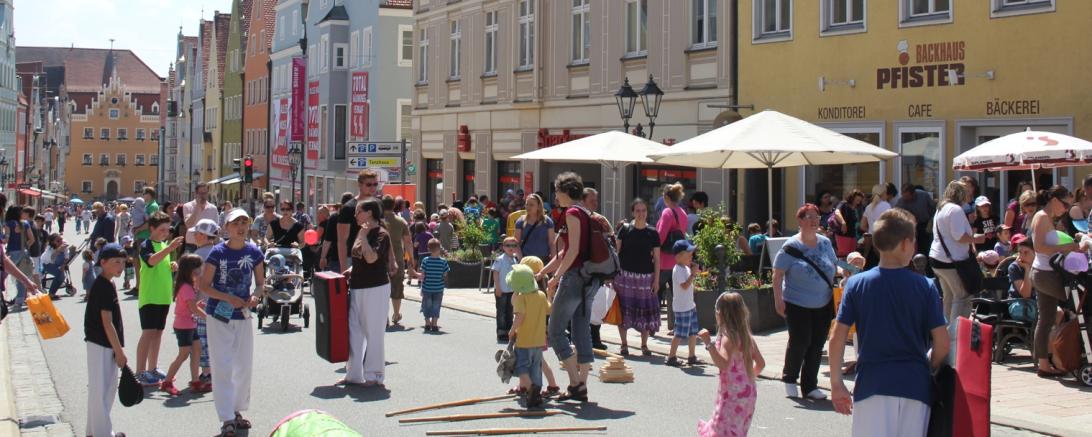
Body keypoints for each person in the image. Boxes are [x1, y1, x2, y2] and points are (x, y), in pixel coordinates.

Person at [829, 208, 950, 437]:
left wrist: (837, 383)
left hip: (871, 385)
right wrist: (928, 367)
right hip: (915, 386)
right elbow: (942, 343)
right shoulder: (925, 286)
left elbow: (837, 336)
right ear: (906, 244)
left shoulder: (856, 285)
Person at [198, 209, 265, 436]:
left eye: (244, 222)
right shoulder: (217, 253)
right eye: (236, 223)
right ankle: (226, 417)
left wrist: (255, 296)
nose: (241, 227)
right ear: (226, 227)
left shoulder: (254, 252)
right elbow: (204, 286)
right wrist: (228, 298)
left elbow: (260, 283)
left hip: (243, 315)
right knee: (223, 366)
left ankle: (237, 410)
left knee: (243, 366)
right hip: (219, 315)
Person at [537, 172, 596, 402]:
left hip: (575, 278)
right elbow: (564, 252)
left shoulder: (571, 213)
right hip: (591, 278)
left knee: (555, 329)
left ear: (566, 191)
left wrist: (556, 278)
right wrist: (545, 271)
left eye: (557, 191)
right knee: (581, 330)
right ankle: (582, 384)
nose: (555, 195)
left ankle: (574, 382)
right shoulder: (586, 212)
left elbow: (572, 252)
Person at [773, 203, 837, 400]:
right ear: (799, 221)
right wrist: (778, 301)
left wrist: (848, 269)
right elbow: (777, 276)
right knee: (800, 342)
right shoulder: (791, 247)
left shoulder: (825, 243)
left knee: (817, 344)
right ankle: (790, 378)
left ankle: (810, 385)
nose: (813, 221)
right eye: (808, 217)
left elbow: (834, 265)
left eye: (816, 217)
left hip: (823, 301)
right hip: (796, 302)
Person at [1029, 186, 1087, 377]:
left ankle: (1045, 364)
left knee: (1045, 319)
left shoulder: (1045, 217)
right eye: (1065, 205)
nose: (1066, 209)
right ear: (1054, 200)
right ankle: (1067, 353)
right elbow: (1039, 247)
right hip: (1045, 274)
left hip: (1043, 273)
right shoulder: (1042, 217)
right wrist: (1069, 246)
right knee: (1078, 306)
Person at [929, 180, 985, 364]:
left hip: (938, 258)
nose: (969, 197)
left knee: (949, 297)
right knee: (962, 296)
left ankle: (942, 334)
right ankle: (954, 338)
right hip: (951, 261)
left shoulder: (941, 208)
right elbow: (959, 236)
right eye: (966, 194)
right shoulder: (955, 210)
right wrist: (977, 239)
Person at [697, 292, 766, 437]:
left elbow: (723, 364)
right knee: (737, 432)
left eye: (717, 310)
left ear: (722, 313)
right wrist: (747, 379)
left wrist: (708, 343)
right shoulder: (746, 336)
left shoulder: (728, 337)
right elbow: (761, 363)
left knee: (721, 431)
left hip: (732, 394)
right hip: (748, 392)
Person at [338, 198, 390, 387]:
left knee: (373, 331)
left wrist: (363, 236)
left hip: (375, 287)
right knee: (354, 330)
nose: (355, 215)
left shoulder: (381, 234)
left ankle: (374, 375)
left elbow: (371, 258)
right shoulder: (362, 233)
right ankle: (353, 373)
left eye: (359, 211)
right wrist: (351, 270)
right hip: (358, 286)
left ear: (369, 213)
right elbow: (359, 259)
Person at [84, 243, 129, 437]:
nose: (120, 266)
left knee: (105, 389)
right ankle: (102, 433)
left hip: (104, 343)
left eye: (123, 262)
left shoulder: (107, 283)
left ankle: (93, 431)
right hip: (100, 343)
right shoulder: (103, 285)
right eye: (116, 262)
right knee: (102, 390)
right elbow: (107, 322)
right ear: (103, 262)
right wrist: (118, 351)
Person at [134, 212, 185, 386]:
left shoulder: (163, 245)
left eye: (167, 230)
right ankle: (140, 371)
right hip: (150, 297)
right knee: (148, 334)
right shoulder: (147, 244)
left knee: (158, 334)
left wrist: (172, 265)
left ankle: (152, 368)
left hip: (163, 297)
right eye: (162, 230)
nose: (165, 233)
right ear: (152, 229)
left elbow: (161, 263)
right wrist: (169, 249)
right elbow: (151, 262)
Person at [614, 198, 661, 356]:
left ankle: (644, 345)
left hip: (646, 277)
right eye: (638, 211)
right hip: (625, 276)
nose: (641, 214)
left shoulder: (653, 233)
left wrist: (656, 280)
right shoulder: (625, 230)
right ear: (632, 212)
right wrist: (612, 275)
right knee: (624, 310)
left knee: (645, 311)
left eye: (644, 210)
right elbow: (616, 252)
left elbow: (657, 259)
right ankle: (624, 344)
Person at [161, 254, 210, 396]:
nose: (201, 272)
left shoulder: (188, 286)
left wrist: (197, 305)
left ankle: (195, 381)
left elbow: (190, 305)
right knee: (183, 354)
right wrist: (207, 318)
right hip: (184, 325)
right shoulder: (187, 287)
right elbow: (193, 308)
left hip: (190, 323)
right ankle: (167, 382)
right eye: (199, 270)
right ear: (192, 270)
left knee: (197, 349)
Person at [507, 263, 551, 408]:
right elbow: (548, 310)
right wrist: (550, 294)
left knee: (521, 368)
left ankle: (532, 388)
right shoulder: (541, 295)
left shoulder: (521, 299)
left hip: (524, 340)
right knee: (535, 368)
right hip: (538, 340)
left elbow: (519, 316)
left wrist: (512, 330)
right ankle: (536, 394)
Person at [657, 183, 689, 332]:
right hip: (677, 259)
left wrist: (652, 251)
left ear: (667, 197)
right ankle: (678, 325)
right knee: (677, 294)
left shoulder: (667, 212)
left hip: (664, 260)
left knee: (656, 292)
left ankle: (653, 324)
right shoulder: (682, 212)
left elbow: (660, 236)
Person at [338, 171, 379, 276]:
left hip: (375, 254)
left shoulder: (378, 204)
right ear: (360, 185)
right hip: (354, 258)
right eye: (369, 184)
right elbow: (342, 241)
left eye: (375, 184)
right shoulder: (348, 208)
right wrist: (343, 268)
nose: (373, 187)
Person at [667, 240, 700, 367]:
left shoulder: (685, 268)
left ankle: (692, 356)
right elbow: (685, 286)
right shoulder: (678, 270)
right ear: (679, 256)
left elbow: (688, 286)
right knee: (679, 333)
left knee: (693, 332)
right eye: (689, 254)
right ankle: (671, 357)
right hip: (682, 308)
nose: (692, 256)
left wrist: (692, 274)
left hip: (689, 305)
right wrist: (692, 275)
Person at [382, 195, 413, 326]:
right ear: (394, 205)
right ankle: (396, 314)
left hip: (381, 259)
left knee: (382, 289)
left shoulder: (378, 221)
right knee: (397, 287)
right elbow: (408, 241)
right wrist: (411, 258)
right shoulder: (401, 222)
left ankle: (384, 317)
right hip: (398, 259)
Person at [418, 239, 450, 332]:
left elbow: (423, 274)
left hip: (427, 287)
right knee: (436, 305)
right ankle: (435, 324)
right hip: (438, 288)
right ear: (439, 249)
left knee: (427, 305)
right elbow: (445, 274)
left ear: (428, 249)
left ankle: (427, 323)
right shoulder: (443, 261)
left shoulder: (425, 260)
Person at [894, 183, 937, 254]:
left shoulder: (924, 196)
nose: (905, 199)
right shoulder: (901, 201)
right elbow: (895, 214)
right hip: (910, 228)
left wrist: (931, 222)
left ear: (913, 194)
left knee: (925, 248)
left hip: (924, 225)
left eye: (907, 197)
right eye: (903, 196)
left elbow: (933, 209)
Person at [492, 236, 520, 342]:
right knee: (501, 312)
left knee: (510, 311)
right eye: (508, 245)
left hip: (511, 291)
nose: (511, 248)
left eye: (514, 245)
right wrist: (498, 287)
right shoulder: (500, 259)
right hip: (502, 289)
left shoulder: (515, 259)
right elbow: (495, 273)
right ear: (503, 247)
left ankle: (510, 331)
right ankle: (501, 332)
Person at [514, 193, 556, 262]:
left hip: (544, 260)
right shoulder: (520, 221)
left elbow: (552, 243)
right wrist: (521, 260)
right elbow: (516, 243)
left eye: (531, 205)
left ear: (539, 206)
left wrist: (553, 262)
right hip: (526, 260)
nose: (528, 207)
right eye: (527, 204)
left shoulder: (547, 221)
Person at [183, 182, 221, 253]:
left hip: (208, 245)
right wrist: (197, 207)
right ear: (196, 194)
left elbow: (216, 229)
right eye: (200, 193)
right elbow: (188, 225)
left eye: (205, 193)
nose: (203, 196)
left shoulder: (213, 208)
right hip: (192, 245)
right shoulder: (187, 206)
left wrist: (217, 246)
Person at [41, 233, 69, 299]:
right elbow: (52, 259)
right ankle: (51, 294)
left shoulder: (64, 244)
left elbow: (66, 257)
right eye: (58, 241)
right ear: (53, 242)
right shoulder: (49, 250)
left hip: (58, 263)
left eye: (61, 239)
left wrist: (63, 265)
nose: (60, 241)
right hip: (46, 264)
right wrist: (58, 250)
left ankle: (52, 293)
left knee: (61, 276)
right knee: (60, 275)